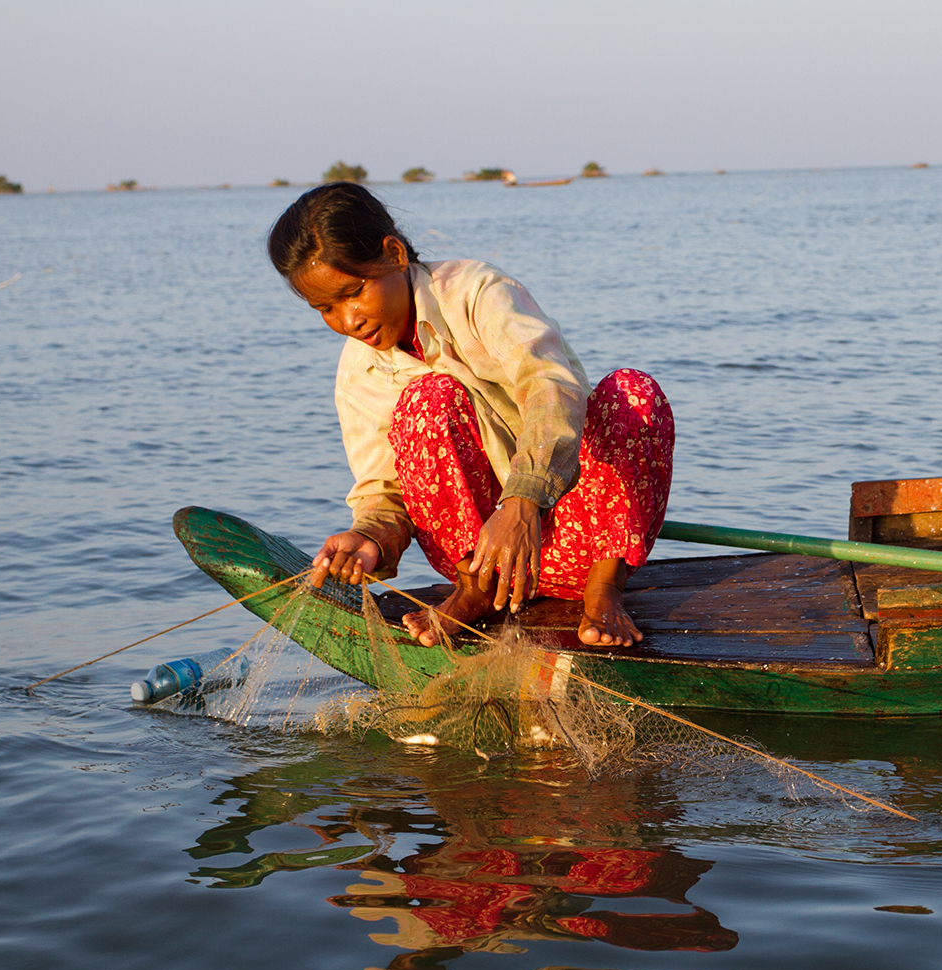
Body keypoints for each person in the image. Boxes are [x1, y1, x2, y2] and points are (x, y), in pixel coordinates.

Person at [267, 183, 673, 647]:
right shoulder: (359, 372)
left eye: (354, 292)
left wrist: (523, 502)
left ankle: (604, 592)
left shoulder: (475, 291)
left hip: (573, 538)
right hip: (484, 561)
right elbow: (383, 488)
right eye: (326, 308)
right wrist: (372, 536)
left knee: (633, 391)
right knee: (427, 399)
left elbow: (549, 384)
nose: (348, 319)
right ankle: (476, 593)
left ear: (395, 254)